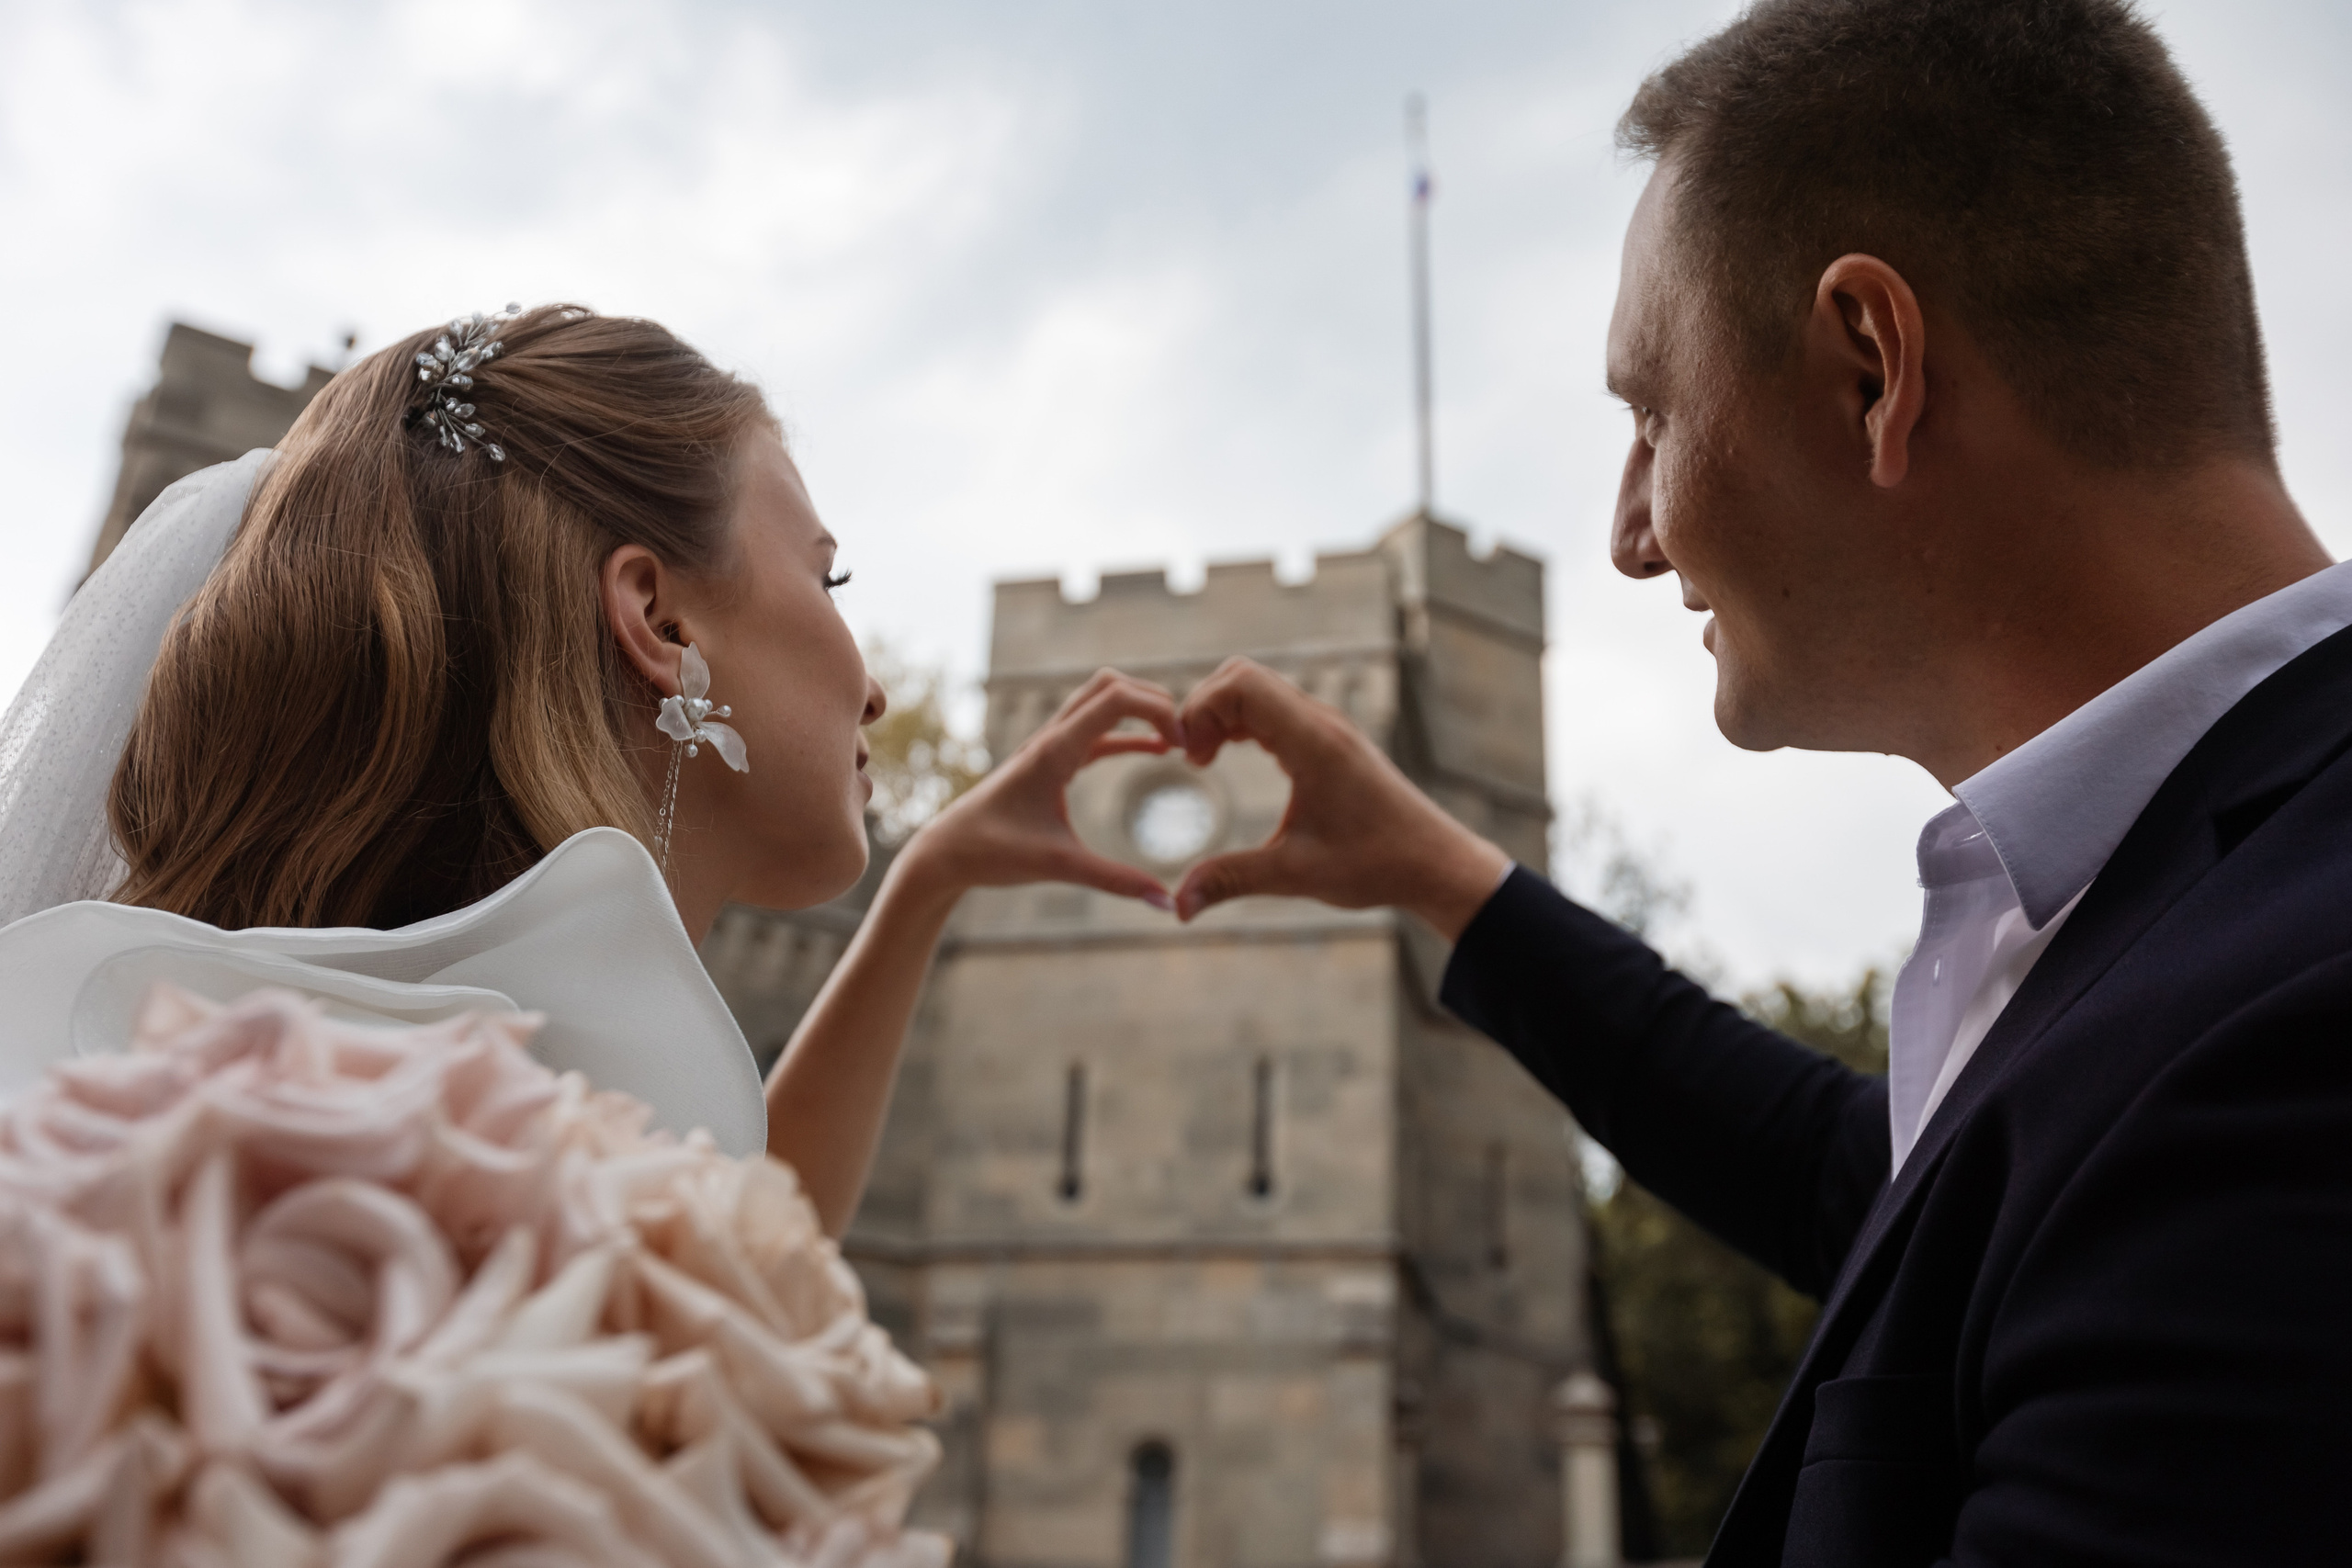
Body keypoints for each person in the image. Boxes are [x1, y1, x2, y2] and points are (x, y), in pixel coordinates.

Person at [1162, 0, 2352, 1562]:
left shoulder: (2293, 1023)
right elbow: (1860, 1184)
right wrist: (1443, 874)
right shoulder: (2196, 898)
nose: (1630, 530)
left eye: (1650, 412)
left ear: (1873, 368)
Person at [0, 303, 1180, 1238]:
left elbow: (740, 1252)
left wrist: (932, 884)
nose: (873, 689)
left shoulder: (278, 1085)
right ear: (660, 623)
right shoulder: (460, 1152)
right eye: (831, 582)